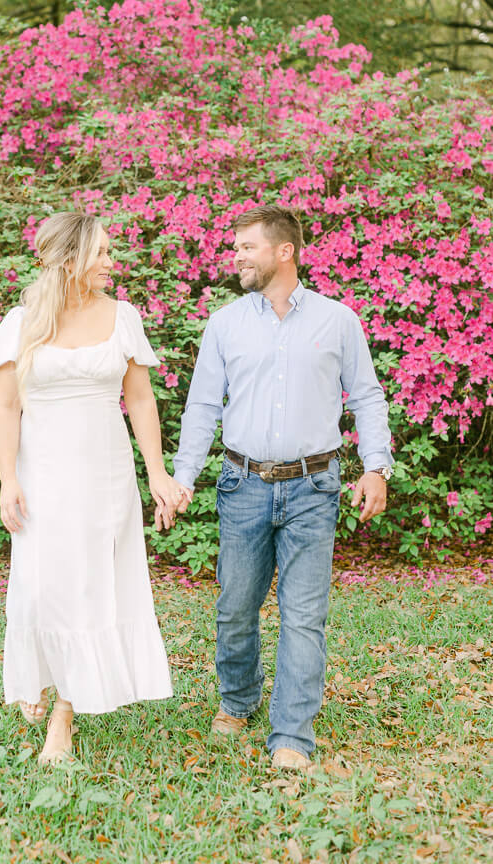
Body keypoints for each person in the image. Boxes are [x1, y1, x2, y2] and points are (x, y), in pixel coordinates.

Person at [162, 205, 393, 771]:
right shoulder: (226, 323)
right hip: (243, 484)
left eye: (247, 247)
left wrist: (375, 466)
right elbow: (201, 406)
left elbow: (366, 396)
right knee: (236, 607)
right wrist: (183, 476)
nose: (236, 256)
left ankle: (291, 734)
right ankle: (238, 701)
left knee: (304, 615)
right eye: (236, 247)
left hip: (315, 486)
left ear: (283, 252)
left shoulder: (339, 321)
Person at [0, 211, 184, 763]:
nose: (111, 263)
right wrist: (8, 479)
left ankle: (63, 717)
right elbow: (6, 407)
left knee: (90, 588)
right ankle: (40, 671)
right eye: (102, 253)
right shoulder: (21, 323)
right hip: (42, 474)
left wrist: (157, 471)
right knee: (42, 586)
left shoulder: (122, 318)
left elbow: (140, 400)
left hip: (104, 473)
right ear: (70, 259)